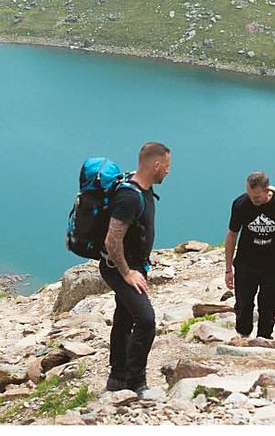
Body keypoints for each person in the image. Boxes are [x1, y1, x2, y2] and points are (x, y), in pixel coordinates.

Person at [101, 142, 171, 395]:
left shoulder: (142, 187)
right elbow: (112, 240)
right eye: (166, 166)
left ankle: (117, 378)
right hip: (118, 268)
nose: (168, 171)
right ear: (155, 165)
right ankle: (135, 381)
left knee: (124, 318)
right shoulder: (130, 196)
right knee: (145, 320)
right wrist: (126, 273)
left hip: (133, 266)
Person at [225, 172, 275, 339]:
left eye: (257, 197)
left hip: (272, 263)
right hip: (246, 262)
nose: (253, 200)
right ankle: (243, 335)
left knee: (268, 305)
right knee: (243, 304)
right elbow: (231, 235)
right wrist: (228, 268)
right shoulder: (241, 204)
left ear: (267, 191)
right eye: (250, 195)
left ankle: (264, 339)